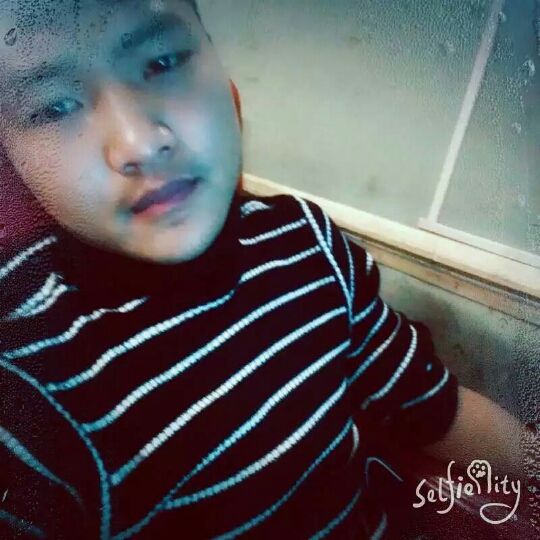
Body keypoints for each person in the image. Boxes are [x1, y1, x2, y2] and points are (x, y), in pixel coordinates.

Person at [0, 1, 532, 538]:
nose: (139, 143)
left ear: (224, 81)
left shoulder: (308, 242)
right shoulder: (28, 376)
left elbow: (436, 409)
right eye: (54, 107)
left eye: (162, 62)